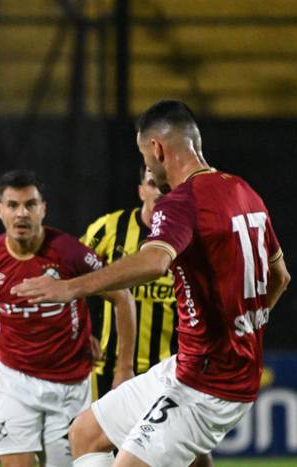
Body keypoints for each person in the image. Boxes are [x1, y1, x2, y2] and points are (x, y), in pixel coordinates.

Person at [12, 100, 291, 467]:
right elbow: (280, 276)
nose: (146, 167)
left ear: (157, 149)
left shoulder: (182, 202)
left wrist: (70, 288)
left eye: (145, 157)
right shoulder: (243, 191)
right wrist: (247, 327)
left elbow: (155, 261)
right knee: (85, 433)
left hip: (208, 385)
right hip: (193, 366)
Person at [0, 170, 135, 467]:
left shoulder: (69, 253)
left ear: (43, 209)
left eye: (30, 204)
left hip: (70, 383)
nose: (21, 213)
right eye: (12, 205)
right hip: (14, 380)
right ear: (0, 211)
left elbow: (122, 298)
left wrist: (123, 368)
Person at [81, 167, 214, 467]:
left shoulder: (191, 236)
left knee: (194, 457)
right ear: (141, 189)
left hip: (170, 367)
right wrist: (79, 331)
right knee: (103, 448)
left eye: (165, 186)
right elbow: (69, 273)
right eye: (153, 184)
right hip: (109, 370)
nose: (158, 192)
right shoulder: (108, 230)